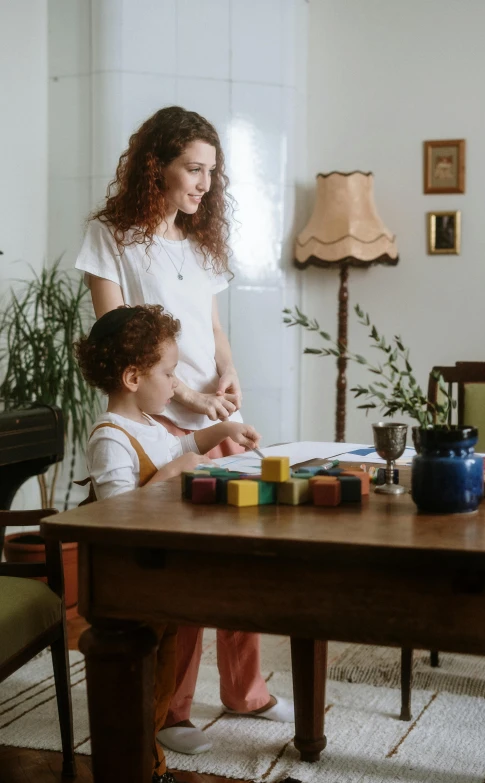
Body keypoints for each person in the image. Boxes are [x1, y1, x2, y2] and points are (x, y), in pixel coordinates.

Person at [75, 106, 293, 756]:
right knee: (186, 569)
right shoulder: (110, 236)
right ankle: (170, 706)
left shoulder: (199, 242)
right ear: (156, 166)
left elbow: (214, 327)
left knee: (249, 547)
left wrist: (229, 377)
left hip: (208, 416)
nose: (203, 184)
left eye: (210, 173)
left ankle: (244, 688)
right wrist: (192, 398)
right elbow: (118, 341)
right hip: (161, 419)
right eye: (192, 169)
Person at [74, 303, 263, 782]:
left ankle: (149, 761)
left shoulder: (149, 425)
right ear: (133, 377)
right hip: (130, 583)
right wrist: (174, 475)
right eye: (169, 373)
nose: (176, 384)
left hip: (158, 579)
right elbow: (116, 512)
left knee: (161, 676)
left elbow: (180, 449)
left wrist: (222, 430)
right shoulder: (110, 437)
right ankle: (140, 768)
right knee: (139, 685)